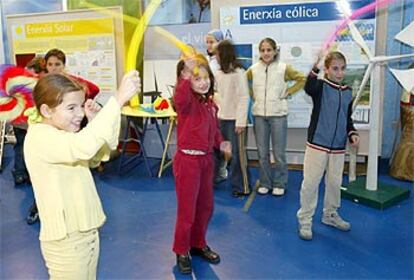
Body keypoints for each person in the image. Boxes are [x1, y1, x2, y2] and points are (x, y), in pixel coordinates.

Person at [23, 71, 140, 279]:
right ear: (46, 111)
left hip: (86, 233)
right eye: (71, 108)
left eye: (80, 106)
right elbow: (83, 147)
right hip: (66, 241)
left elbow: (97, 157)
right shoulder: (40, 137)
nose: (79, 114)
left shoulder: (64, 134)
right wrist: (117, 100)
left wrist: (95, 121)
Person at [172, 54, 231, 274]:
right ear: (186, 79)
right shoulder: (185, 102)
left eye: (206, 78)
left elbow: (214, 130)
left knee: (205, 206)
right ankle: (181, 250)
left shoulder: (209, 104)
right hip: (188, 161)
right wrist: (187, 75)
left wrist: (221, 142)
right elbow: (180, 97)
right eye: (197, 79)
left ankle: (197, 244)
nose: (203, 82)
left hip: (206, 160)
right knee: (187, 210)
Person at [296, 51, 360, 241]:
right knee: (310, 183)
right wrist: (315, 64)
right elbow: (308, 86)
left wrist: (352, 133)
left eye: (342, 68)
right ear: (327, 70)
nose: (339, 73)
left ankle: (330, 214)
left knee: (334, 183)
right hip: (317, 145)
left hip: (339, 148)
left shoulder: (348, 91)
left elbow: (347, 119)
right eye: (335, 68)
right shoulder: (320, 87)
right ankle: (305, 219)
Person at [247, 37, 305, 196]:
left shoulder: (283, 68)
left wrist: (289, 92)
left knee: (279, 153)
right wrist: (253, 96)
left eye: (269, 50)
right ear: (259, 52)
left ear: (275, 51)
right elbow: (244, 81)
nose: (266, 53)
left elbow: (302, 78)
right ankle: (265, 182)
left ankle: (280, 183)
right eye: (263, 50)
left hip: (278, 115)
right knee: (262, 153)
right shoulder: (253, 69)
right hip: (259, 116)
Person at [215, 40, 250, 197]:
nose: (215, 56)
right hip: (221, 118)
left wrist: (241, 121)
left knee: (237, 155)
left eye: (217, 53)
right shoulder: (218, 74)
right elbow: (217, 94)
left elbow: (244, 97)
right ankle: (216, 178)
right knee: (221, 152)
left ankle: (242, 187)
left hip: (235, 121)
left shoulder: (239, 73)